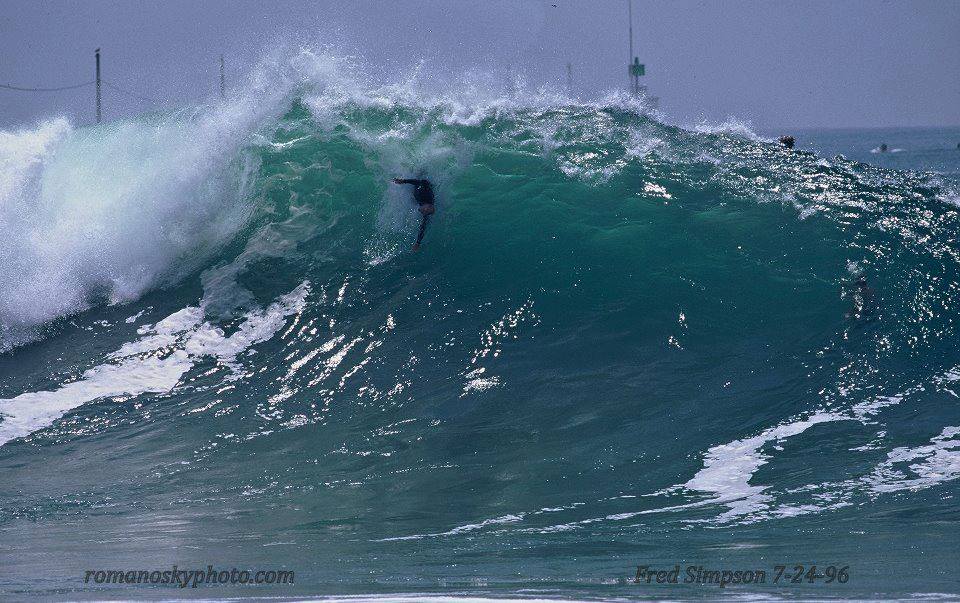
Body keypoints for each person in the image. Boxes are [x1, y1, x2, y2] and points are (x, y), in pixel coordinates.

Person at [392, 176, 435, 251]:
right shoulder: (426, 195)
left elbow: (422, 228)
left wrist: (417, 243)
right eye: (424, 211)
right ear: (427, 206)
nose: (422, 213)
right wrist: (403, 181)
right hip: (420, 183)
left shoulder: (425, 212)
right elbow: (419, 182)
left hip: (419, 196)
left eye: (424, 213)